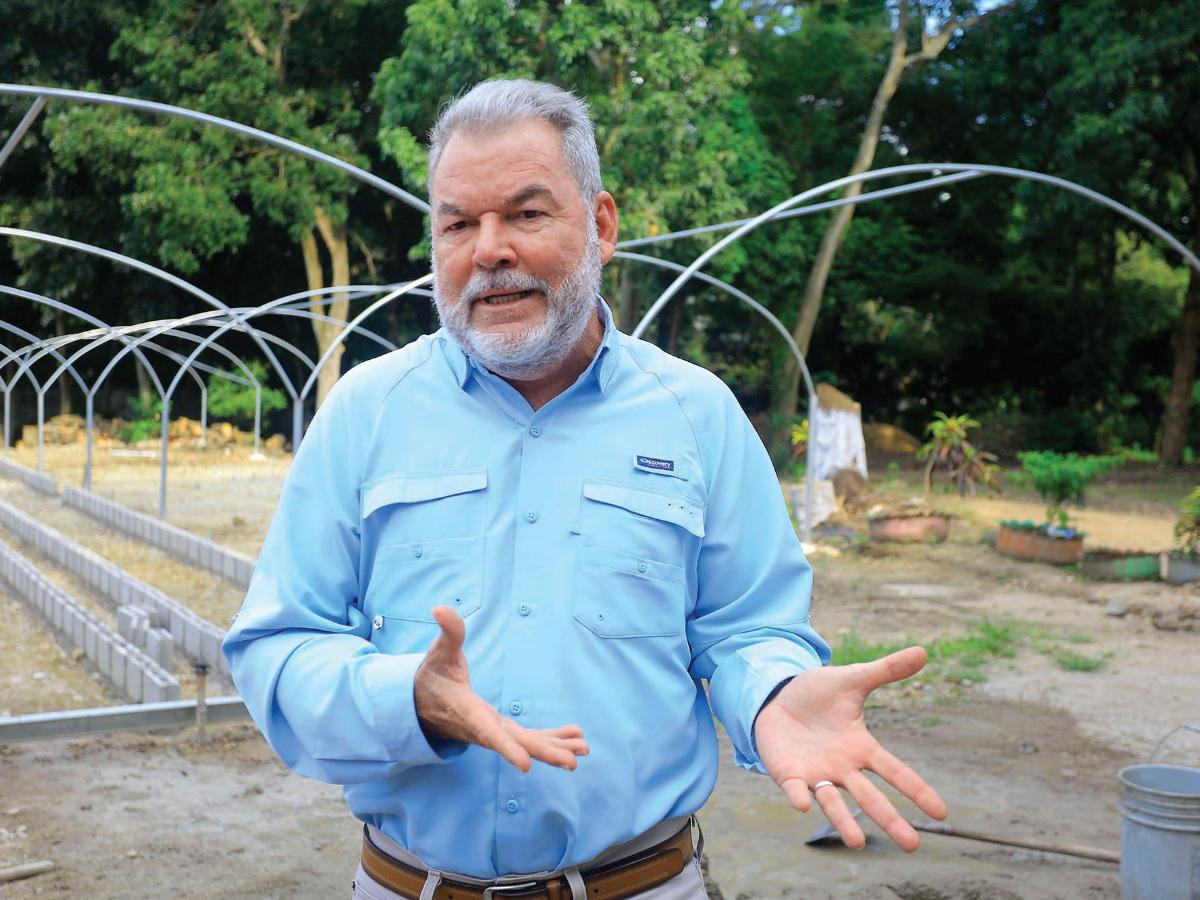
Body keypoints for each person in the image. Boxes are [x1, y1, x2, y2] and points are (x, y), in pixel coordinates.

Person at [223, 78, 946, 900]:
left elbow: (747, 627)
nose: (489, 250)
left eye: (526, 214)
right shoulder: (366, 411)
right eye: (458, 224)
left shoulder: (696, 414)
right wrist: (409, 701)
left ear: (601, 224)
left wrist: (774, 694)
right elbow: (279, 645)